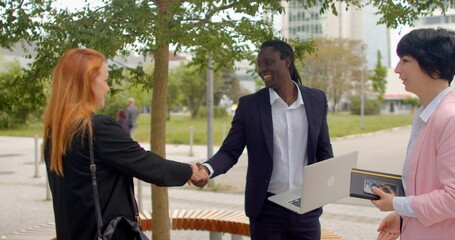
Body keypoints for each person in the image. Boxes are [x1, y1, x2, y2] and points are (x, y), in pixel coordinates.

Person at [43, 48, 208, 240]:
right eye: (105, 81)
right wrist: (191, 171)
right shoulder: (96, 128)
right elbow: (147, 164)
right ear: (87, 83)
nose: (108, 88)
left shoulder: (54, 131)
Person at [193, 40, 333, 240]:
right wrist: (207, 169)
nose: (262, 69)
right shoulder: (250, 105)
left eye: (268, 62)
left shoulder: (317, 99)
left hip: (307, 208)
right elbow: (230, 151)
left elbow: (323, 148)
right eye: (260, 65)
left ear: (287, 61)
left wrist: (331, 182)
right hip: (266, 210)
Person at [371, 28, 455, 240]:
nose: (398, 69)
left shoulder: (449, 117)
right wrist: (401, 216)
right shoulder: (427, 114)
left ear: (433, 67)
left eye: (405, 60)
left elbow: (452, 198)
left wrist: (397, 204)